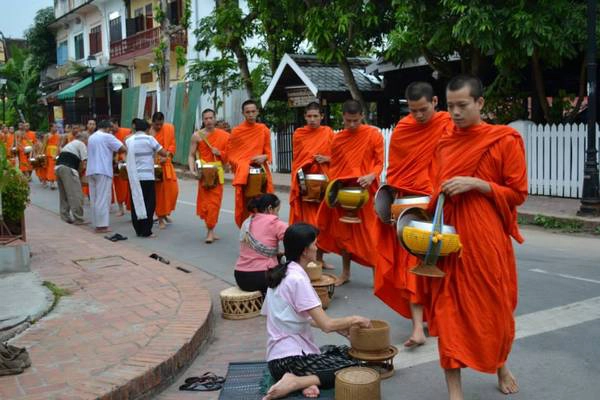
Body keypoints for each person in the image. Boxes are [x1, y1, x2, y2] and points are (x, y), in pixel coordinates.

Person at [427, 75, 526, 400]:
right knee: (448, 312)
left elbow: (517, 193)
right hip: (450, 239)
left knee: (494, 309)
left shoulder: (503, 140)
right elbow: (436, 189)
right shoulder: (443, 143)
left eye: (463, 105)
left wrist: (478, 184)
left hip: (487, 240)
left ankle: (500, 365)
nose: (455, 113)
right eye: (451, 106)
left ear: (480, 103)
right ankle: (455, 392)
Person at [373, 82, 453, 348]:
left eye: (423, 109)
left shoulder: (447, 124)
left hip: (437, 205)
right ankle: (418, 328)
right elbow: (395, 169)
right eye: (413, 110)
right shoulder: (403, 129)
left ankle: (440, 319)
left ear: (435, 102)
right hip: (408, 206)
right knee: (411, 269)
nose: (418, 115)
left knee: (441, 266)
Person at [261, 223, 371, 400]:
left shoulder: (284, 272)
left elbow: (294, 317)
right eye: (315, 244)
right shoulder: (297, 278)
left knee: (340, 351)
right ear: (305, 250)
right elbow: (326, 325)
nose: (317, 247)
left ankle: (307, 380)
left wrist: (339, 327)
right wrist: (355, 319)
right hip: (290, 360)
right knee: (354, 365)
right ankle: (295, 382)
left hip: (278, 360)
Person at [316, 100, 384, 286]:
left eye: (355, 120)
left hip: (366, 192)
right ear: (342, 118)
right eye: (348, 121)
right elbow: (335, 167)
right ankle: (345, 273)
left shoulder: (373, 134)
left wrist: (371, 176)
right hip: (344, 192)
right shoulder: (338, 139)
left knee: (371, 233)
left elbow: (379, 162)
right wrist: (335, 189)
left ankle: (377, 275)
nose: (352, 125)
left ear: (362, 115)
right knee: (344, 233)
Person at [289, 103, 335, 270]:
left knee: (322, 222)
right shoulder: (299, 134)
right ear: (305, 117)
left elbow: (336, 156)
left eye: (316, 116)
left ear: (322, 116)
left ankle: (319, 258)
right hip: (305, 185)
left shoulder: (328, 133)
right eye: (309, 116)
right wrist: (310, 160)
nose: (313, 119)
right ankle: (307, 259)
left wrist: (327, 159)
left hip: (323, 183)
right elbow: (298, 159)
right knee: (309, 224)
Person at [226, 100, 274, 228]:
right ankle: (248, 230)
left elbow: (268, 153)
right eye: (248, 112)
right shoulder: (237, 131)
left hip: (261, 172)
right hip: (245, 175)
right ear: (243, 113)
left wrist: (264, 157)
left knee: (264, 203)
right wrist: (245, 163)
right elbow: (231, 155)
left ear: (257, 112)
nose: (251, 114)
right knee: (247, 204)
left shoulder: (263, 130)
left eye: (253, 112)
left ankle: (262, 230)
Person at [188, 109, 229, 243]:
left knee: (214, 204)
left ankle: (211, 230)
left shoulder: (224, 135)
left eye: (211, 118)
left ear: (215, 118)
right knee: (206, 204)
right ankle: (210, 229)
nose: (209, 121)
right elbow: (191, 155)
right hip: (204, 174)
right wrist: (192, 170)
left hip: (217, 174)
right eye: (206, 118)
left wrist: (220, 153)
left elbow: (229, 156)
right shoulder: (197, 136)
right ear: (202, 120)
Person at [234, 194, 287, 294]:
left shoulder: (247, 222)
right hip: (262, 277)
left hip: (240, 276)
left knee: (278, 258)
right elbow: (294, 239)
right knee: (289, 267)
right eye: (277, 211)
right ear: (270, 208)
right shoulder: (274, 222)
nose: (277, 215)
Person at [126, 119, 168, 238]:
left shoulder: (129, 140)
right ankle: (146, 230)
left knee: (136, 201)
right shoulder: (150, 139)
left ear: (135, 129)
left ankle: (138, 229)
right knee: (149, 203)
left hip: (134, 177)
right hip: (147, 176)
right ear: (147, 129)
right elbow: (163, 153)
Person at [86, 120, 127, 233]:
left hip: (91, 170)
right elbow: (122, 148)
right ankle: (102, 225)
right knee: (103, 198)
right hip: (103, 170)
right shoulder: (108, 136)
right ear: (107, 128)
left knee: (94, 198)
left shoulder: (92, 137)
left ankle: (96, 223)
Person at [150, 112, 179, 229]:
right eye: (156, 124)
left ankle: (165, 213)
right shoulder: (149, 132)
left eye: (160, 124)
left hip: (167, 163)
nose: (159, 127)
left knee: (173, 191)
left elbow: (172, 144)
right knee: (160, 194)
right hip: (155, 166)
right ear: (153, 123)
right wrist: (157, 159)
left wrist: (167, 156)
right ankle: (160, 218)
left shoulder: (169, 128)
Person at [55, 131, 88, 224]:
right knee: (75, 194)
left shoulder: (70, 144)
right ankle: (79, 218)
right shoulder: (81, 144)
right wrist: (81, 174)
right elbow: (84, 162)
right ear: (84, 139)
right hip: (68, 169)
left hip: (58, 168)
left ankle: (65, 217)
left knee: (64, 194)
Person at [111, 119, 131, 216]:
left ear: (116, 124)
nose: (111, 128)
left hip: (127, 162)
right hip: (116, 164)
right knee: (118, 186)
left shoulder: (127, 132)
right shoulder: (110, 135)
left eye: (112, 125)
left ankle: (130, 207)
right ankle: (120, 208)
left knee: (129, 186)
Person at [42, 124, 62, 189]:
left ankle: (52, 182)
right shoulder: (47, 135)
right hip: (48, 153)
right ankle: (47, 181)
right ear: (51, 128)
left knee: (52, 168)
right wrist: (42, 154)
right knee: (47, 167)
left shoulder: (58, 136)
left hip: (55, 153)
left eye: (56, 127)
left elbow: (59, 146)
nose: (56, 128)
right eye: (54, 127)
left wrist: (59, 153)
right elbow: (44, 145)